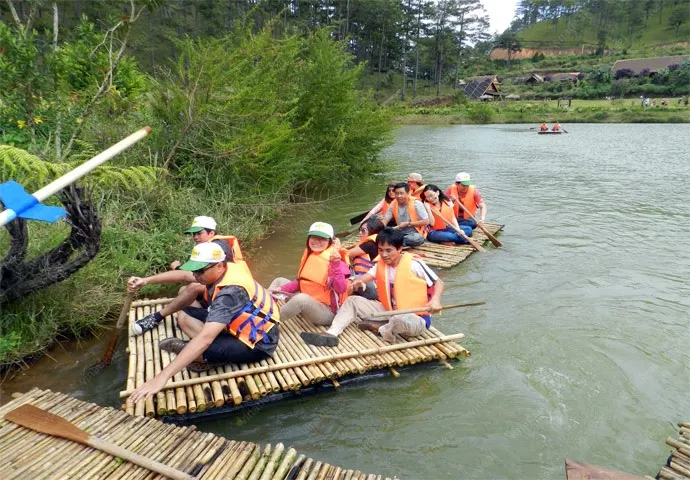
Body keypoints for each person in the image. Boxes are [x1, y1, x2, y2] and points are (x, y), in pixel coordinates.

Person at [126, 242, 280, 404]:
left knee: (196, 350)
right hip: (236, 325)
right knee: (184, 316)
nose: (196, 275)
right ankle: (204, 349)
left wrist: (161, 377)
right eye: (194, 269)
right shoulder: (224, 268)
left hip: (258, 342)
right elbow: (185, 276)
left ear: (220, 266)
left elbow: (205, 337)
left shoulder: (229, 294)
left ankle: (204, 355)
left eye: (200, 271)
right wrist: (145, 281)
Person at [300, 228, 443, 347]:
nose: (384, 255)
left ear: (399, 249)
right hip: (389, 311)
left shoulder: (414, 264)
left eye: (389, 250)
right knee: (353, 301)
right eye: (380, 250)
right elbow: (365, 277)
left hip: (414, 318)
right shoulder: (381, 265)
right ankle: (332, 334)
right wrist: (358, 282)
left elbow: (439, 283)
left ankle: (380, 328)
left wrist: (435, 300)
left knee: (400, 319)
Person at [128, 217, 245, 336]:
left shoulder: (217, 250)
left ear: (211, 233)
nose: (195, 237)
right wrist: (145, 280)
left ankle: (158, 317)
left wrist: (178, 269)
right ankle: (200, 315)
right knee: (183, 290)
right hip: (225, 291)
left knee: (192, 288)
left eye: (199, 233)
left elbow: (186, 275)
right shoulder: (209, 247)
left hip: (232, 299)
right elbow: (187, 275)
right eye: (194, 234)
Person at [268, 222, 350, 327]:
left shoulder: (336, 260)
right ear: (308, 238)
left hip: (326, 312)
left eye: (322, 239)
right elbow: (301, 282)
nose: (317, 242)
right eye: (314, 237)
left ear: (329, 241)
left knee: (301, 299)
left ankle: (269, 321)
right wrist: (281, 289)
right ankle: (264, 309)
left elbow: (341, 289)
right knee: (279, 281)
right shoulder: (310, 255)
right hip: (308, 300)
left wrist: (335, 265)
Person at [347, 217, 385, 300]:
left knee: (347, 281)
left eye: (363, 231)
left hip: (372, 287)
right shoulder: (379, 241)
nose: (360, 233)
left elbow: (347, 254)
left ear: (372, 231)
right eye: (360, 230)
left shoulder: (370, 244)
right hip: (372, 284)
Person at [381, 182, 429, 247]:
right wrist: (380, 228)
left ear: (408, 193)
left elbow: (426, 221)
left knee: (417, 239)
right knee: (383, 231)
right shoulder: (393, 203)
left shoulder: (416, 203)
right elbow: (385, 219)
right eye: (397, 193)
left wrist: (409, 224)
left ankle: (394, 242)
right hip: (399, 232)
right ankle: (395, 242)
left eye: (401, 193)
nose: (399, 196)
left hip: (414, 233)